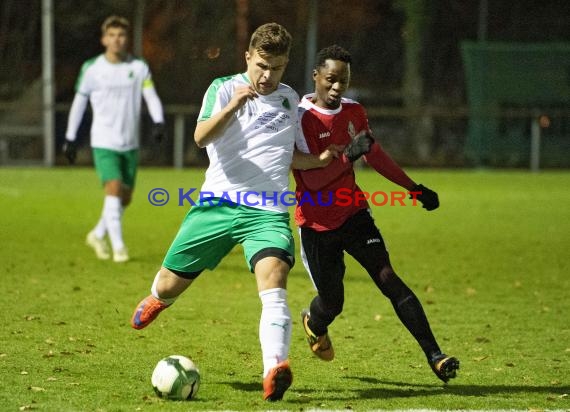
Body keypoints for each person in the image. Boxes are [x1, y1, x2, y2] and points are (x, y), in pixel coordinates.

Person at [130, 23, 336, 401]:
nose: (267, 75)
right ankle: (160, 297)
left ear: (286, 64)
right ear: (248, 58)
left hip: (268, 211)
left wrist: (319, 159)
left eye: (275, 68)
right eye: (261, 65)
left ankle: (275, 367)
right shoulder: (223, 88)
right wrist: (232, 107)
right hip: (217, 205)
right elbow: (200, 137)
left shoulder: (292, 100)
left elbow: (290, 155)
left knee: (274, 283)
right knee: (167, 283)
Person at [292, 45, 460, 383]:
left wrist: (413, 188)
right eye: (331, 79)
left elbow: (375, 154)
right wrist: (346, 157)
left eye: (344, 80)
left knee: (387, 277)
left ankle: (435, 355)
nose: (338, 87)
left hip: (354, 213)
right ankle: (314, 321)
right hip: (316, 224)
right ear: (316, 77)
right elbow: (312, 180)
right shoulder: (300, 118)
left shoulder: (354, 112)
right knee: (332, 303)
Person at [63, 15, 166, 263]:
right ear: (103, 39)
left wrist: (159, 121)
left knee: (125, 197)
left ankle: (97, 234)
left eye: (121, 35)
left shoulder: (138, 66)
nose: (116, 40)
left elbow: (151, 96)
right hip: (103, 140)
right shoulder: (92, 68)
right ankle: (119, 248)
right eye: (112, 35)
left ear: (127, 39)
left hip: (130, 142)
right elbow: (79, 102)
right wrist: (70, 137)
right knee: (114, 189)